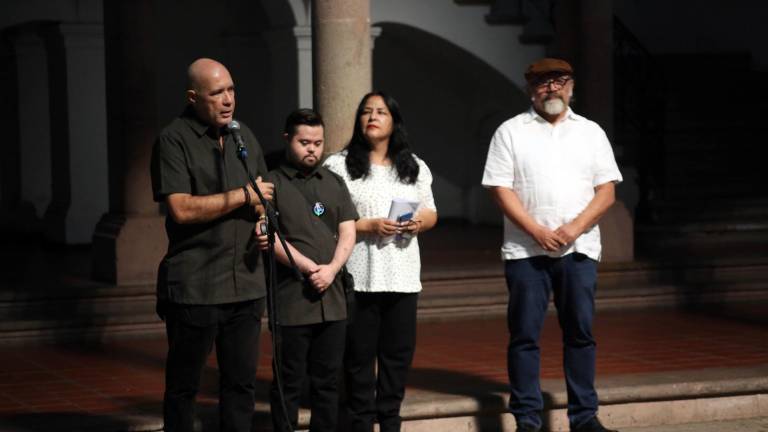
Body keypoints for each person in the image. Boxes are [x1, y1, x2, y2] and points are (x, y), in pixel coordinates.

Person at [481, 58, 622, 432]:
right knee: (524, 336)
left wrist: (574, 228)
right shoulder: (510, 132)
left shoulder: (590, 132)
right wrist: (535, 231)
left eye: (559, 80)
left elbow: (606, 191)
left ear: (571, 86)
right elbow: (500, 188)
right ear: (530, 89)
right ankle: (528, 419)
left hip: (579, 249)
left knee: (580, 334)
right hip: (526, 252)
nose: (552, 88)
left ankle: (584, 417)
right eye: (543, 82)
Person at [150, 58, 274, 432]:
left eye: (231, 90)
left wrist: (264, 220)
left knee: (240, 385)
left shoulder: (242, 135)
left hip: (246, 285)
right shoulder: (173, 139)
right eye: (217, 93)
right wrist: (243, 196)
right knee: (184, 386)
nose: (228, 100)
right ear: (193, 97)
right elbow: (181, 209)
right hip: (197, 286)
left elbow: (264, 197)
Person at [324, 91, 438, 432]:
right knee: (358, 357)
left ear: (394, 122)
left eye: (381, 112)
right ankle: (360, 421)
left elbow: (431, 212)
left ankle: (390, 421)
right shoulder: (339, 165)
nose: (372, 117)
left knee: (397, 356)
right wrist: (367, 225)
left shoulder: (413, 166)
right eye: (366, 112)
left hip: (402, 276)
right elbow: (323, 215)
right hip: (358, 276)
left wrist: (417, 223)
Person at [255, 108, 358, 432]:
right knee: (288, 380)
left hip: (333, 298)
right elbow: (267, 237)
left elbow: (348, 230)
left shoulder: (334, 182)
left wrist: (333, 269)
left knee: (328, 382)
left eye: (318, 143)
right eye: (304, 142)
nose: (312, 149)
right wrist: (310, 267)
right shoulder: (271, 183)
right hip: (292, 300)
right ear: (288, 140)